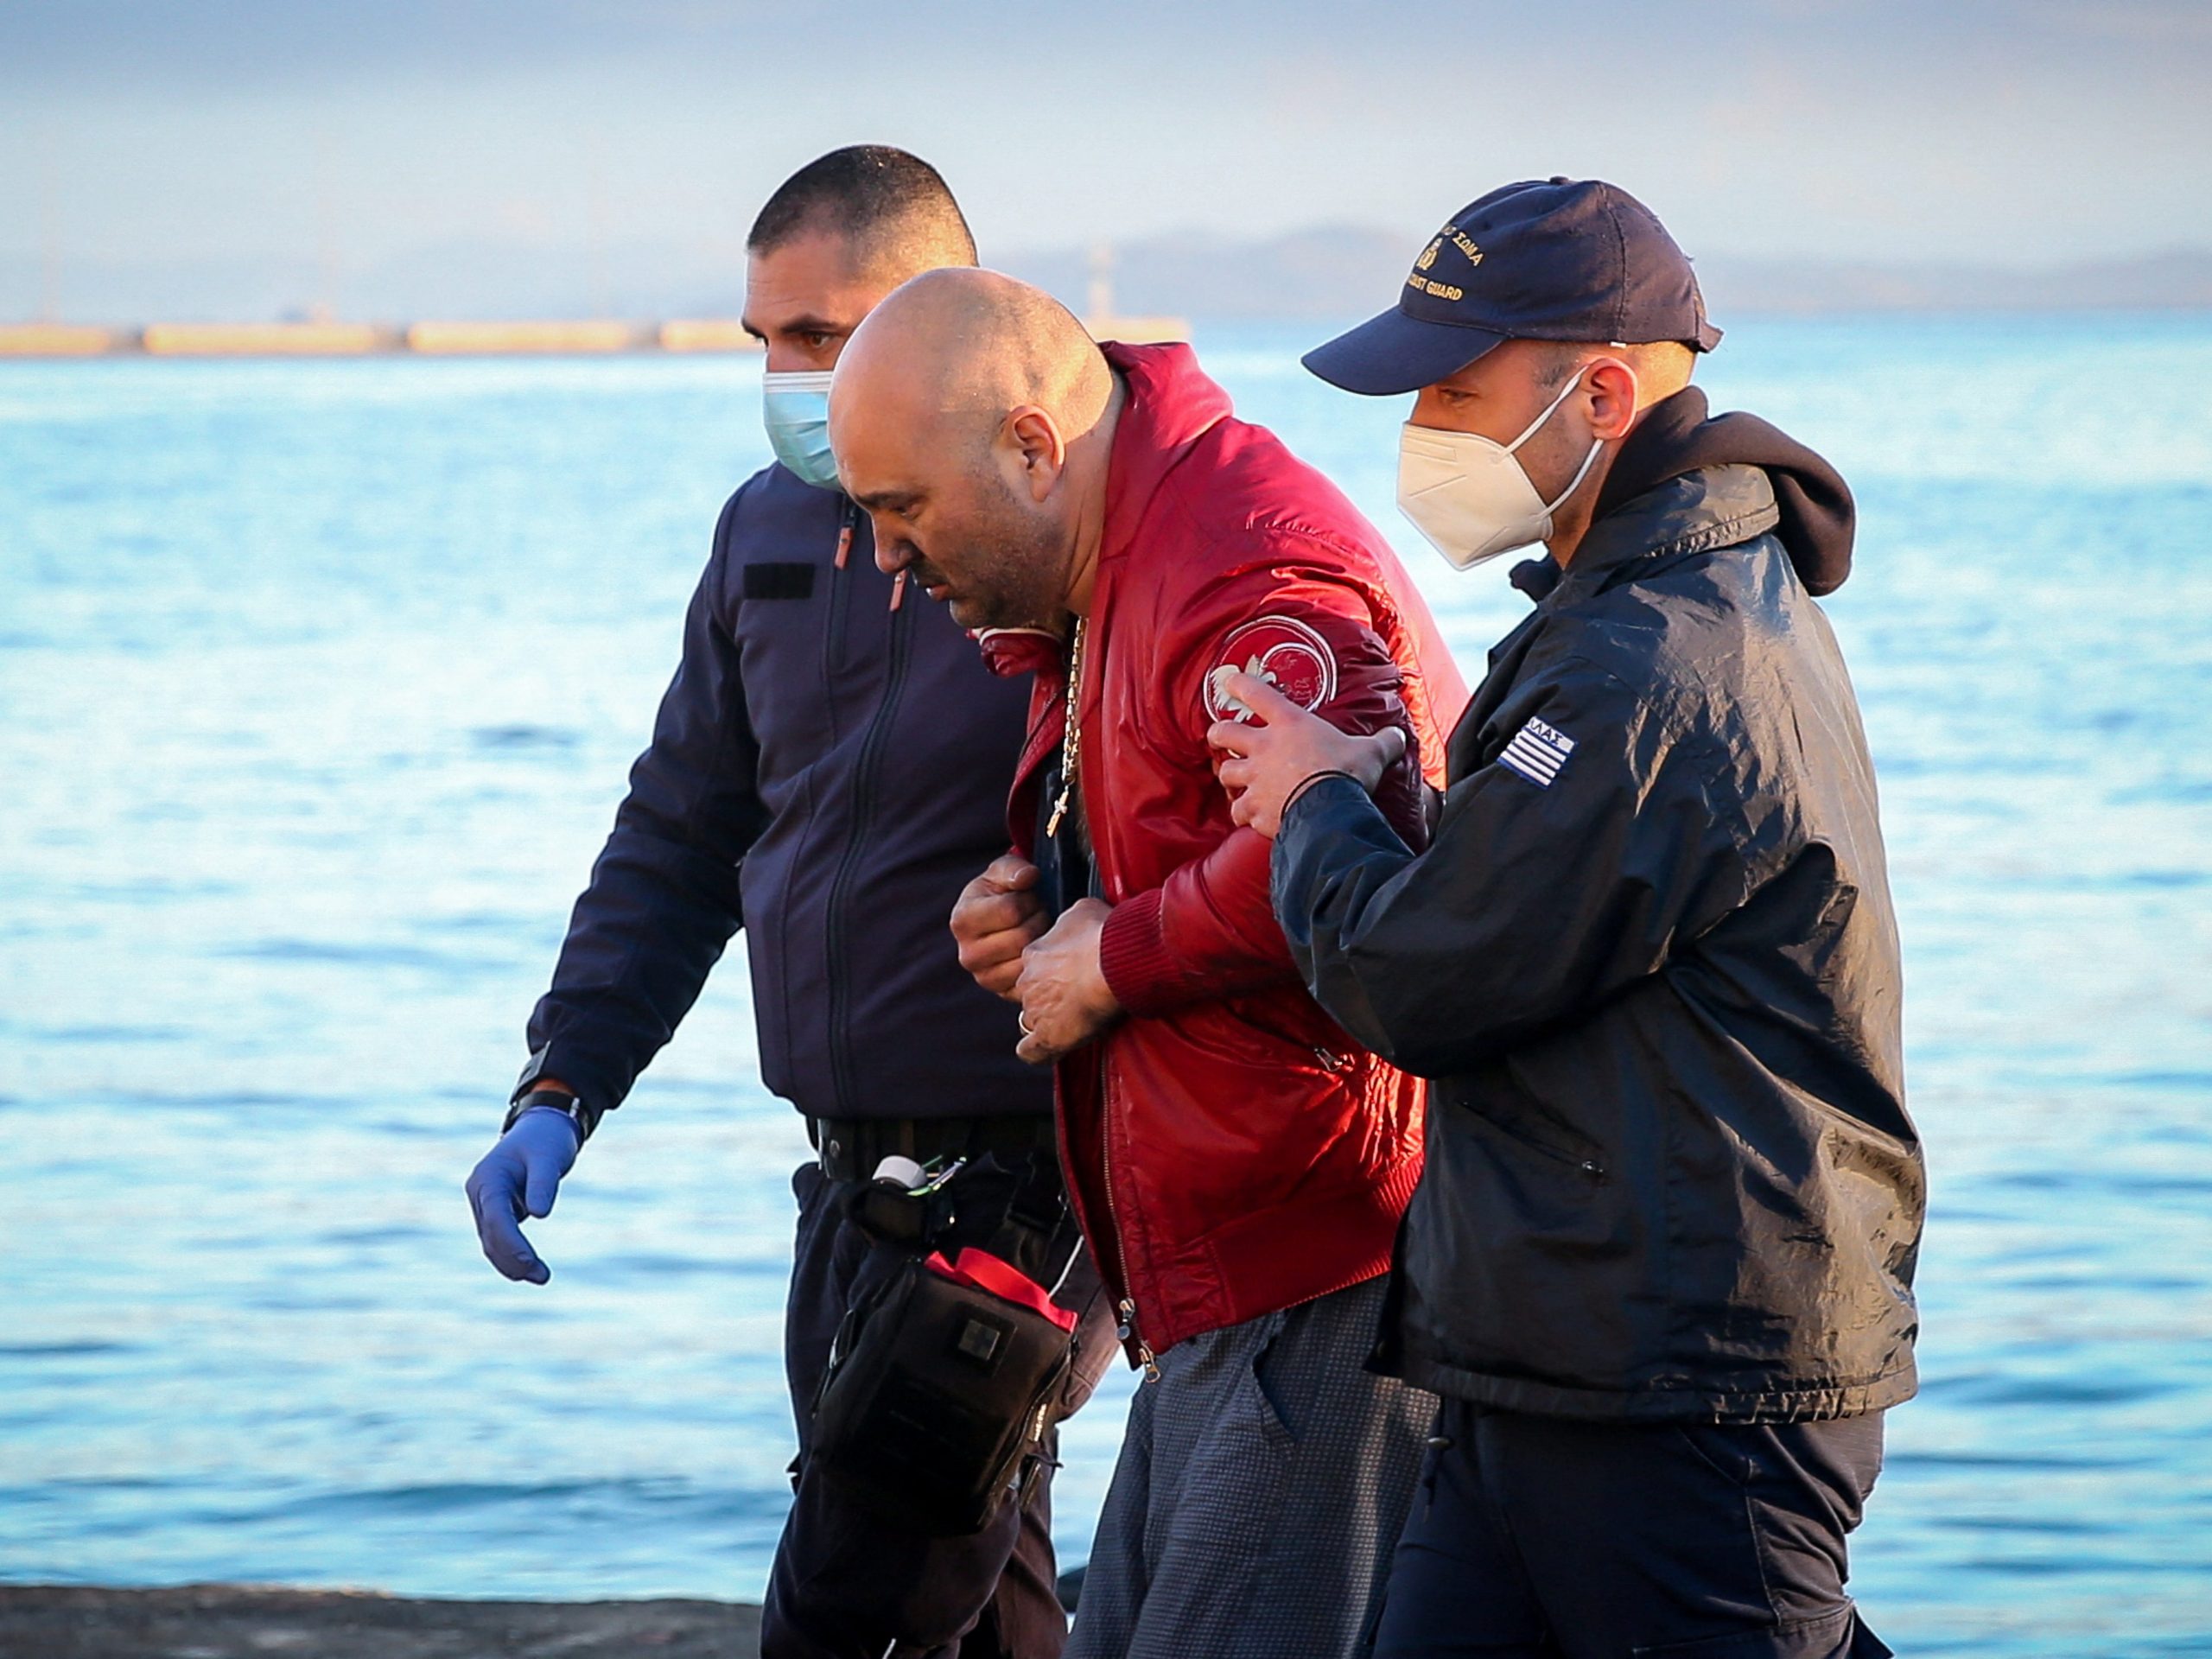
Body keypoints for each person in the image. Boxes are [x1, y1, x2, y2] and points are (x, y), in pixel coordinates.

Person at [1206, 177, 1924, 1658]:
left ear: (1601, 394)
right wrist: (1377, 792)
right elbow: (1536, 912)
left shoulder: (1651, 662)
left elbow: (1422, 982)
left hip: (1686, 1387)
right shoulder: (1660, 606)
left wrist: (1312, 805)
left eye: (1457, 395)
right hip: (1558, 1361)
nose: (1424, 437)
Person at [461, 147, 1119, 1659]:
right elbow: (682, 832)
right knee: (985, 1595)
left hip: (1033, 1178)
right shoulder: (765, 529)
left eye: (819, 337)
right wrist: (565, 1083)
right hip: (845, 1175)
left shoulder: (1064, 530)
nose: (786, 374)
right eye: (763, 339)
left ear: (943, 319)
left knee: (851, 1620)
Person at [826, 269, 1469, 1659]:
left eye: (901, 510)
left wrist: (1112, 955)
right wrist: (1045, 894)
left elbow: (1379, 834)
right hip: (1218, 1270)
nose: (885, 557)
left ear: (1030, 445)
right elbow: (1198, 809)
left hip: (1324, 1260)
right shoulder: (1123, 552)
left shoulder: (1238, 557)